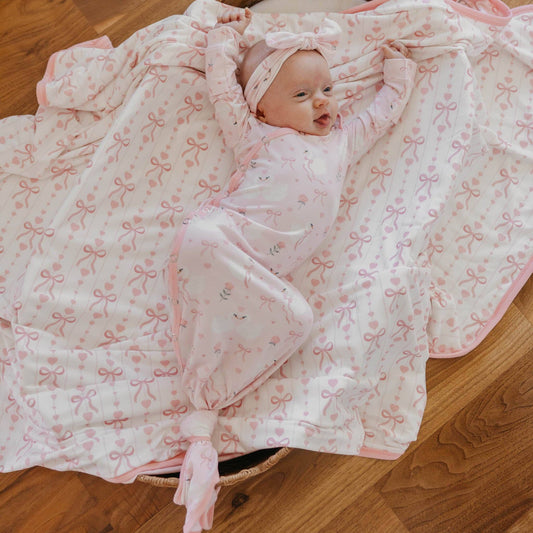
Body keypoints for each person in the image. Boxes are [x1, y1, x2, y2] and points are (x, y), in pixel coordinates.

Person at [169, 7, 416, 532]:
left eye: (326, 89)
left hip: (257, 276)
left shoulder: (341, 141)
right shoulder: (255, 135)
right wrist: (223, 42)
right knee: (223, 289)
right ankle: (203, 404)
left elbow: (382, 116)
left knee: (296, 319)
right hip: (217, 240)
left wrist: (398, 76)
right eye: (302, 95)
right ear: (261, 107)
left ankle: (205, 409)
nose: (322, 101)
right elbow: (223, 92)